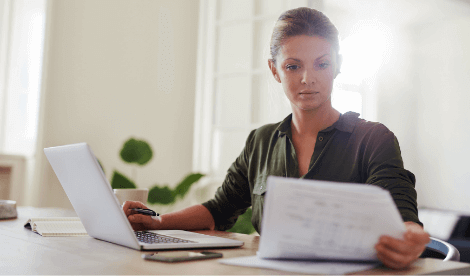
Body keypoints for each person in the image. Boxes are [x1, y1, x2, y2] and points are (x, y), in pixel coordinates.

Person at [123, 7, 430, 269]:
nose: (307, 78)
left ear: (337, 65)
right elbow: (218, 210)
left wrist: (411, 235)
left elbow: (401, 210)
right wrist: (158, 223)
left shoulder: (373, 138)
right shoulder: (260, 141)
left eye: (321, 63)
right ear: (274, 70)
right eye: (293, 66)